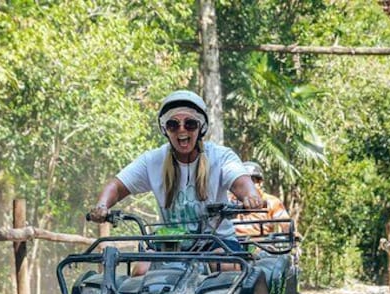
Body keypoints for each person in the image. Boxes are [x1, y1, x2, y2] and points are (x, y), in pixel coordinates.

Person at [88, 90, 263, 266]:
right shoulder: (152, 160)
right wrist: (102, 206)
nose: (181, 130)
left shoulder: (221, 157)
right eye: (173, 124)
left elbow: (241, 182)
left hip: (216, 242)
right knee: (141, 270)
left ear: (201, 128)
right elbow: (117, 186)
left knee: (223, 265)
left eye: (190, 124)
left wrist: (250, 196)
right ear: (165, 130)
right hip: (170, 244)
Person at [231, 161, 293, 237]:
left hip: (262, 243)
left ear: (260, 183)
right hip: (231, 243)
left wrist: (290, 232)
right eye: (243, 183)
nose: (248, 186)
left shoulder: (272, 202)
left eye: (252, 181)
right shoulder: (229, 201)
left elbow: (285, 223)